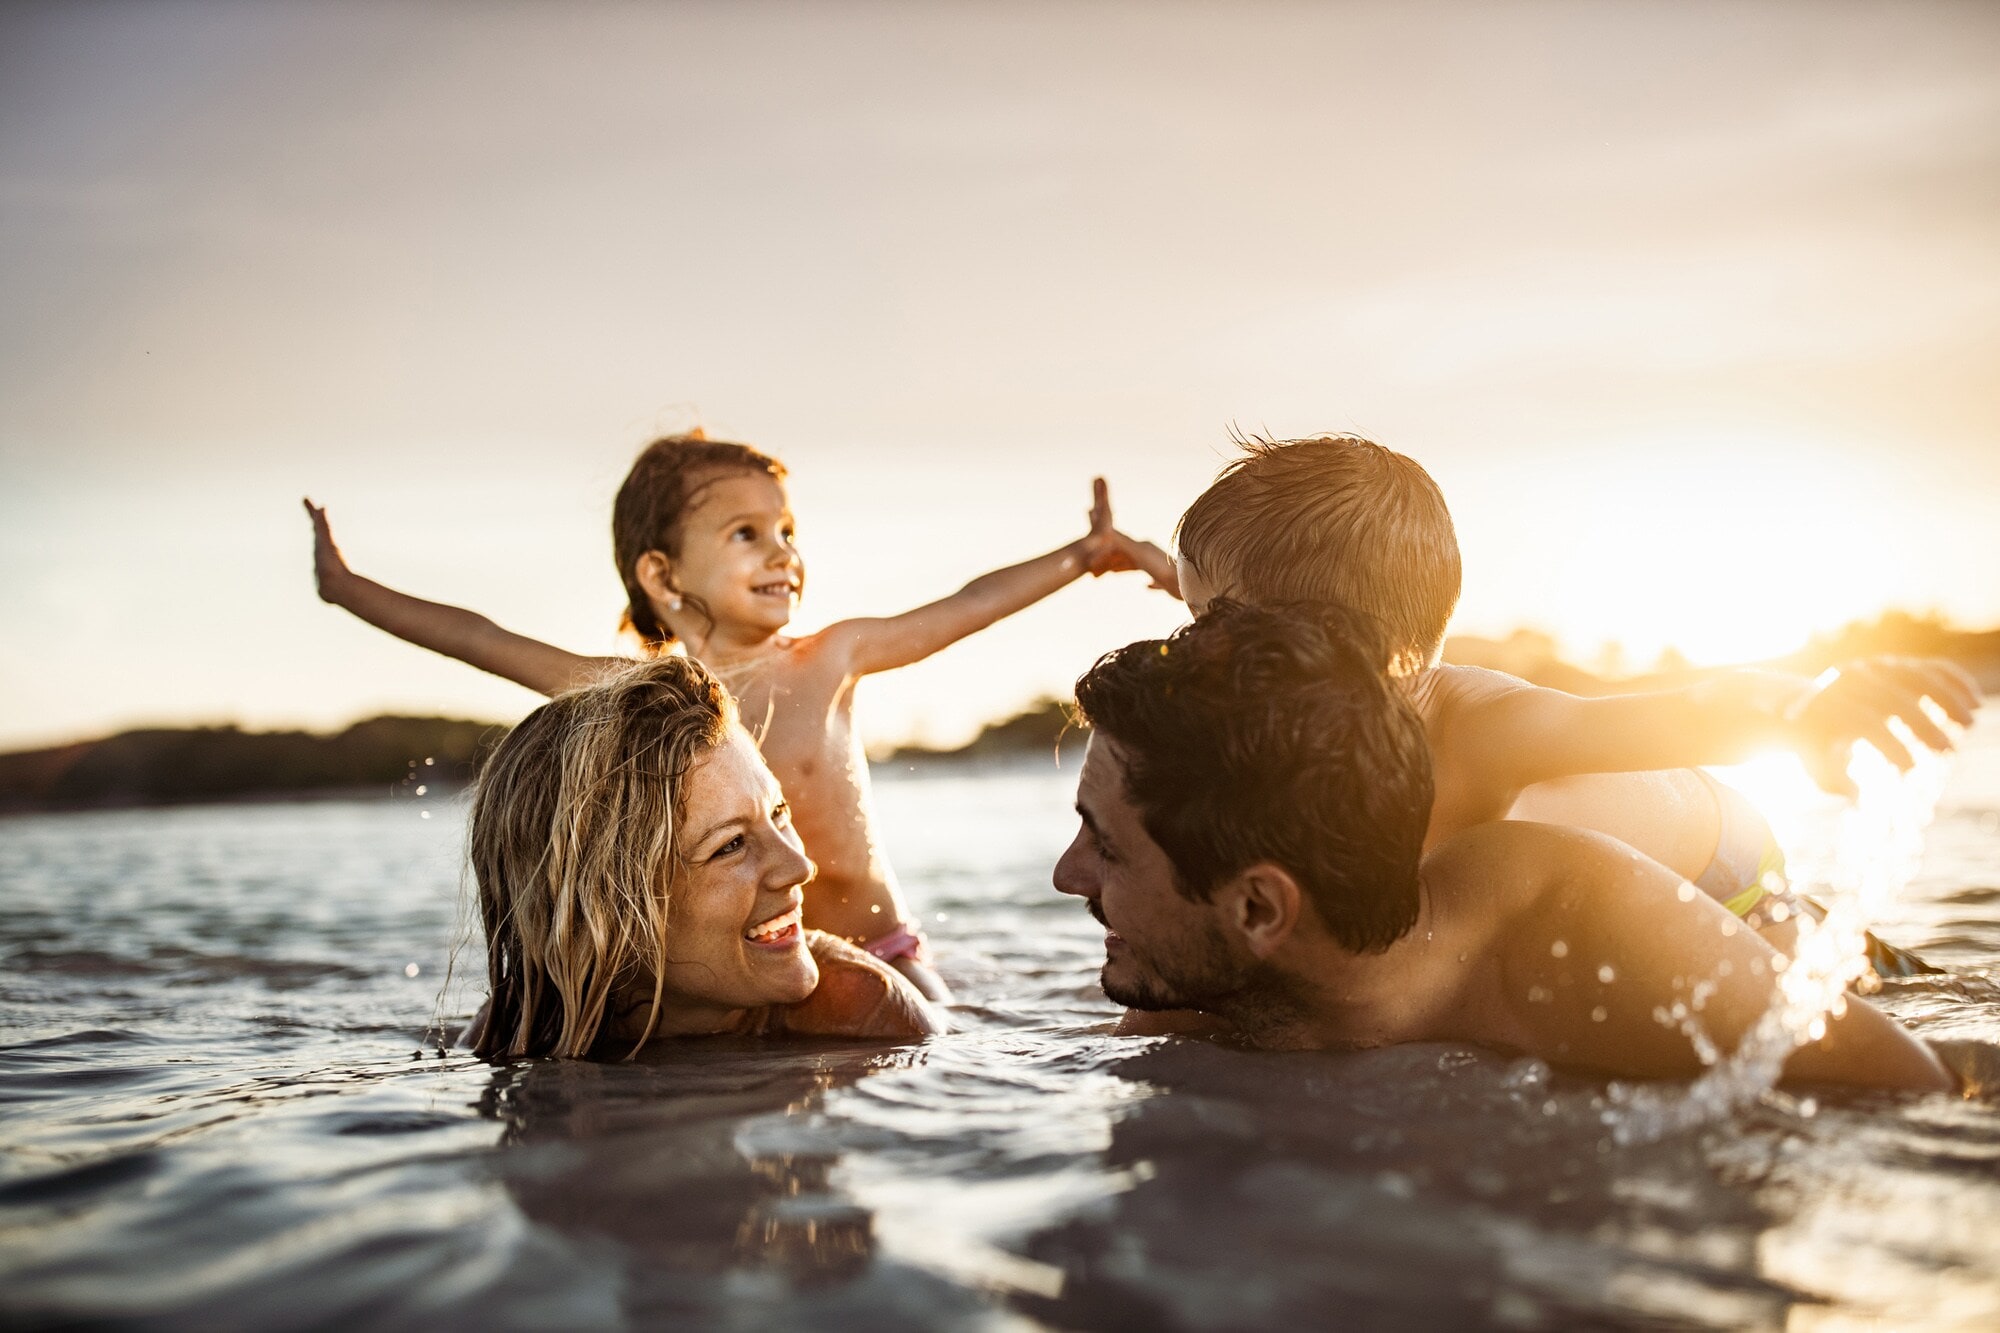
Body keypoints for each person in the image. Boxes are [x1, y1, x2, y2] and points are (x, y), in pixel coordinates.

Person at [308, 431, 1149, 1001]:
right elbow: (481, 638)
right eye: (748, 534)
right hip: (758, 974)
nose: (784, 551)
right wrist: (347, 591)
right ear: (663, 576)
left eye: (786, 529)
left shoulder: (830, 657)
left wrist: (1084, 554)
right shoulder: (637, 698)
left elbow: (965, 605)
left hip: (884, 955)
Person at [1104, 433, 1980, 968]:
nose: (1193, 648)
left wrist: (1803, 710)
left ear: (1330, 640)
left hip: (1732, 881)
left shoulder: (1472, 723)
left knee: (1817, 1019)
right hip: (1617, 878)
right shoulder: (1310, 717)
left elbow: (1687, 707)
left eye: (1208, 617)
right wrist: (1164, 568)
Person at [1052, 601, 1954, 1091]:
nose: (1066, 875)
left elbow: (1909, 1089)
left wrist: (1803, 706)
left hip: (1732, 871)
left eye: (1108, 847)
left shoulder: (1580, 939)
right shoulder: (1199, 982)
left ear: (1259, 908)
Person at [467, 654, 941, 1059]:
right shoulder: (527, 1025)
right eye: (731, 844)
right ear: (605, 909)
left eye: (779, 814)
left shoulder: (863, 1012)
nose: (800, 867)